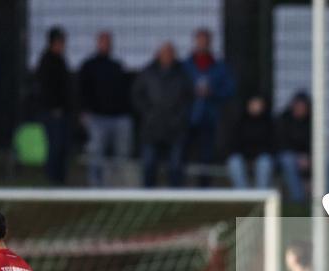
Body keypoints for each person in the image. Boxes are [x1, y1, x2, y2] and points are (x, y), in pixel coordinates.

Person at [132, 42, 193, 188]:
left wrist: (179, 117)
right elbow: (136, 95)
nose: (167, 56)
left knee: (175, 167)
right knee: (149, 166)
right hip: (152, 128)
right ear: (158, 55)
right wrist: (148, 113)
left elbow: (189, 98)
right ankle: (148, 197)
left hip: (176, 128)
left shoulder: (182, 73)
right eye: (164, 53)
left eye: (170, 53)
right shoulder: (147, 72)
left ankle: (175, 198)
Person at [78, 31, 133, 187]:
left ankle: (118, 186)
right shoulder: (88, 66)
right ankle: (95, 188)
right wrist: (85, 113)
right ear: (98, 43)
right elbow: (82, 91)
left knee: (121, 156)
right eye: (103, 41)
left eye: (108, 41)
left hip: (118, 117)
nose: (106, 44)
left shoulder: (117, 66)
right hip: (97, 117)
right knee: (96, 156)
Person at [183, 28, 235, 187]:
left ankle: (204, 189)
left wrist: (213, 92)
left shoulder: (219, 66)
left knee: (206, 156)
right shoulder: (186, 66)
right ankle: (179, 188)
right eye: (199, 40)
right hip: (186, 117)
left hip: (209, 118)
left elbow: (230, 89)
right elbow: (177, 88)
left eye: (205, 41)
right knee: (183, 154)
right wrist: (192, 92)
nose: (202, 44)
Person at [274, 92, 329, 204]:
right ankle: (298, 201)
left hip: (310, 156)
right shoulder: (284, 119)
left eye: (303, 107)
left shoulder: (313, 121)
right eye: (298, 106)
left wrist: (309, 157)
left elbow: (318, 142)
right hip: (290, 156)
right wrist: (299, 157)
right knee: (287, 161)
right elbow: (280, 143)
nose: (300, 109)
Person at [35, 27, 72, 185]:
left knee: (62, 147)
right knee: (55, 147)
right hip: (52, 113)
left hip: (62, 112)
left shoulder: (61, 59)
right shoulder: (47, 61)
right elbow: (47, 89)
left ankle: (60, 180)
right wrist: (54, 108)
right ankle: (53, 180)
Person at [226, 95, 275, 189]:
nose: (255, 107)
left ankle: (261, 197)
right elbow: (233, 144)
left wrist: (256, 156)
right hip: (243, 156)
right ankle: (243, 196)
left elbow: (272, 145)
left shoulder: (269, 122)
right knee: (234, 161)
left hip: (262, 156)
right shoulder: (240, 121)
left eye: (258, 104)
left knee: (264, 162)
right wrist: (246, 157)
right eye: (253, 104)